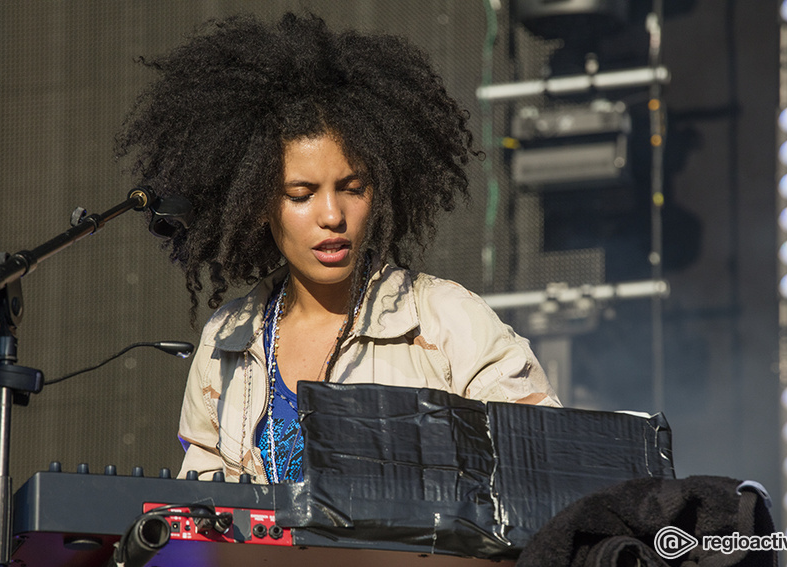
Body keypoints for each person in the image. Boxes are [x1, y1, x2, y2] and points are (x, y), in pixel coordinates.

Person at [117, 13, 560, 484]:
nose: (332, 215)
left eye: (352, 187)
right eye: (300, 194)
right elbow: (202, 516)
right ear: (256, 204)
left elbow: (545, 464)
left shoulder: (446, 319)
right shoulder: (227, 339)